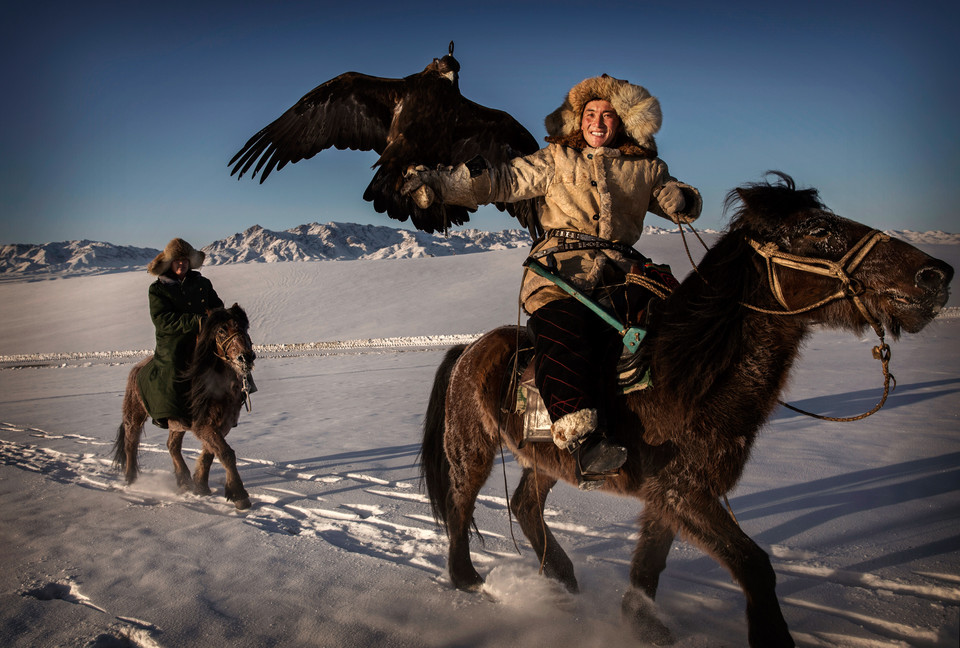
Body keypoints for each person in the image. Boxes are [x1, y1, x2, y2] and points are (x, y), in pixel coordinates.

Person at [402, 74, 701, 487]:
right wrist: (442, 184)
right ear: (578, 120)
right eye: (590, 114)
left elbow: (676, 198)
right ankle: (582, 439)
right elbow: (505, 180)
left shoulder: (646, 168)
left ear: (625, 122)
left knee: (675, 322)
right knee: (565, 329)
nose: (597, 123)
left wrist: (681, 199)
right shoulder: (557, 159)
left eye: (608, 115)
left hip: (623, 270)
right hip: (562, 270)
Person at [137, 238, 224, 429]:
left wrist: (222, 317)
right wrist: (196, 321)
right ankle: (165, 411)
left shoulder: (202, 283)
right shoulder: (158, 289)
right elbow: (162, 320)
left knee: (231, 356)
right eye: (178, 260)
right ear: (170, 263)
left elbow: (216, 305)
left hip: (202, 337)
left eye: (185, 260)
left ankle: (236, 400)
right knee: (172, 366)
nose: (182, 263)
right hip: (173, 340)